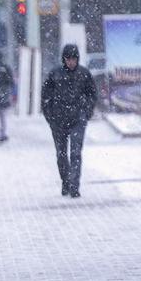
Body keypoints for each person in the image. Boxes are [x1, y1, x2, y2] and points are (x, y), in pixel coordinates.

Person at [41, 44, 98, 198]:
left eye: (74, 59)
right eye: (68, 59)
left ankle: (74, 184)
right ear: (64, 59)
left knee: (76, 152)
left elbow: (92, 94)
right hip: (58, 120)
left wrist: (87, 111)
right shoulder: (55, 75)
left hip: (78, 118)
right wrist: (50, 117)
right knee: (61, 154)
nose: (71, 62)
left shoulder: (84, 74)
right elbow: (45, 96)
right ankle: (65, 181)